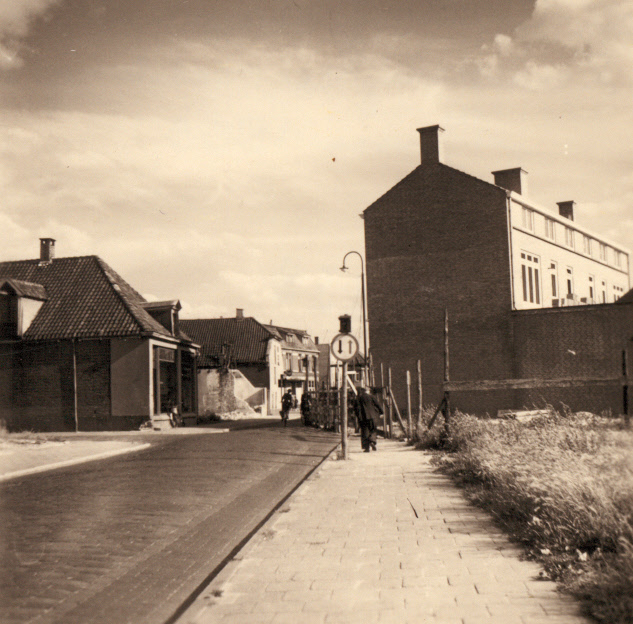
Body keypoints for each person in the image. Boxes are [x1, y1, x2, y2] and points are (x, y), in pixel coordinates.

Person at [356, 386, 383, 452]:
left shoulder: (359, 398)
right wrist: (381, 412)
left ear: (363, 391)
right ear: (368, 391)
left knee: (365, 431)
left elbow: (356, 408)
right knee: (373, 429)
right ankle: (372, 441)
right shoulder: (372, 397)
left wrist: (358, 417)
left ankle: (366, 448)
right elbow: (378, 404)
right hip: (372, 416)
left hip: (363, 417)